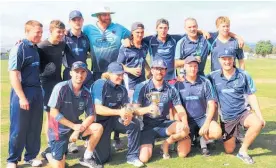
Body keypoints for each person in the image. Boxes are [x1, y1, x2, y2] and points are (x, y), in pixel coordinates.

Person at [83, 6, 131, 150]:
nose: (107, 17)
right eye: (104, 15)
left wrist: (128, 39)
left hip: (116, 74)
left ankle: (116, 138)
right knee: (94, 105)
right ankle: (90, 135)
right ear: (97, 16)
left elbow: (133, 34)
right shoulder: (88, 29)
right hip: (97, 73)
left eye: (108, 14)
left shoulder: (119, 28)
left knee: (118, 103)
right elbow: (72, 34)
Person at [207, 49, 265, 164]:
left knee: (257, 123)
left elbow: (251, 95)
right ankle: (237, 134)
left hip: (243, 112)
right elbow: (199, 82)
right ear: (219, 60)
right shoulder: (212, 77)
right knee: (229, 150)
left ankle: (243, 151)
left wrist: (260, 115)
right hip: (227, 117)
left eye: (229, 58)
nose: (227, 61)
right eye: (224, 59)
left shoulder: (244, 75)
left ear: (233, 59)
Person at [45, 61, 103, 168]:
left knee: (97, 128)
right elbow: (53, 112)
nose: (79, 75)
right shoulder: (61, 88)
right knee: (59, 166)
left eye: (83, 72)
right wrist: (74, 127)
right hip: (59, 130)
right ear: (71, 73)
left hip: (75, 127)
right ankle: (49, 154)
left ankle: (87, 157)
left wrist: (78, 129)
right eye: (76, 71)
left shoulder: (86, 93)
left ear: (86, 74)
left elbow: (91, 115)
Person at [133, 58, 191, 162]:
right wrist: (147, 109)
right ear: (152, 70)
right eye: (157, 69)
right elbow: (135, 110)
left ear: (165, 71)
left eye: (162, 69)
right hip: (147, 126)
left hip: (164, 123)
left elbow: (179, 108)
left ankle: (166, 144)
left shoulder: (171, 88)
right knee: (144, 158)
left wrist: (185, 124)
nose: (159, 72)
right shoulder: (142, 87)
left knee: (183, 129)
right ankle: (147, 144)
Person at [91, 62, 144, 167]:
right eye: (117, 75)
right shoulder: (100, 84)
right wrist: (119, 112)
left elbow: (127, 106)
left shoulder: (122, 88)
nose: (120, 77)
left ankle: (132, 157)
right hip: (100, 123)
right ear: (109, 74)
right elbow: (97, 109)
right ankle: (92, 142)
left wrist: (128, 115)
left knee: (135, 123)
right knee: (102, 159)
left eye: (122, 74)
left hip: (115, 120)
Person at [7, 20, 44, 168]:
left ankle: (31, 156)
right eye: (37, 32)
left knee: (35, 126)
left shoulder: (36, 48)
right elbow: (13, 75)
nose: (40, 35)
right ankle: (12, 160)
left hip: (36, 90)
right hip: (22, 92)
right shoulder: (19, 48)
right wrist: (22, 97)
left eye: (41, 32)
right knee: (19, 127)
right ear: (27, 32)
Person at [174, 56, 222, 156]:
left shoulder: (205, 82)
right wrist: (181, 124)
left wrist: (207, 123)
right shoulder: (178, 84)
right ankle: (191, 138)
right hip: (186, 121)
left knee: (217, 132)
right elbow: (175, 108)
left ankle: (202, 140)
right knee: (182, 154)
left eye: (195, 66)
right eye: (190, 66)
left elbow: (211, 104)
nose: (193, 69)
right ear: (184, 68)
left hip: (202, 118)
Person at [38, 20, 67, 157]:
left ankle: (59, 140)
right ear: (50, 31)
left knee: (60, 114)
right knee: (50, 115)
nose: (61, 34)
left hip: (58, 83)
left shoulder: (62, 44)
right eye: (58, 32)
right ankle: (51, 144)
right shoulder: (42, 46)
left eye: (62, 32)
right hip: (46, 85)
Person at [117, 22, 149, 100]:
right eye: (137, 32)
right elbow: (118, 65)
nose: (140, 35)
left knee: (141, 104)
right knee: (131, 105)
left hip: (142, 82)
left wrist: (149, 70)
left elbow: (142, 59)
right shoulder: (125, 47)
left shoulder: (145, 46)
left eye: (142, 32)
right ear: (132, 33)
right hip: (130, 84)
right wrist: (130, 70)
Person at [63, 10, 94, 88]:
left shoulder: (86, 38)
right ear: (69, 22)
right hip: (70, 74)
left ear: (82, 20)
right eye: (74, 20)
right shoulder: (64, 37)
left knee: (88, 98)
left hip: (84, 74)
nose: (77, 22)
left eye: (79, 19)